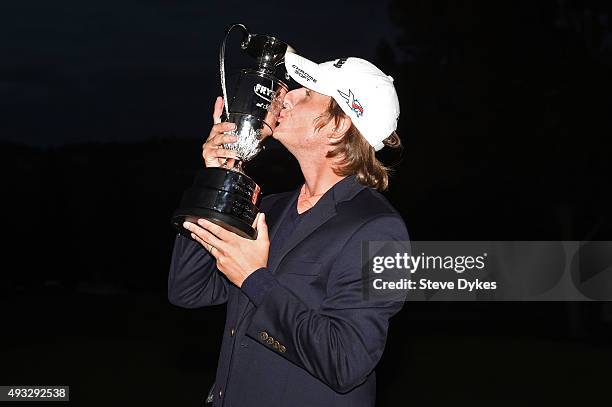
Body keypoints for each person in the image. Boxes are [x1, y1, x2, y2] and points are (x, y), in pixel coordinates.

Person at [168, 52, 409, 407]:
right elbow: (188, 289)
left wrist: (254, 277)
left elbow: (346, 364)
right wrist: (220, 176)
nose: (286, 97)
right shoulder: (269, 208)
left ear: (339, 124)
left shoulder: (378, 229)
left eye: (307, 93)